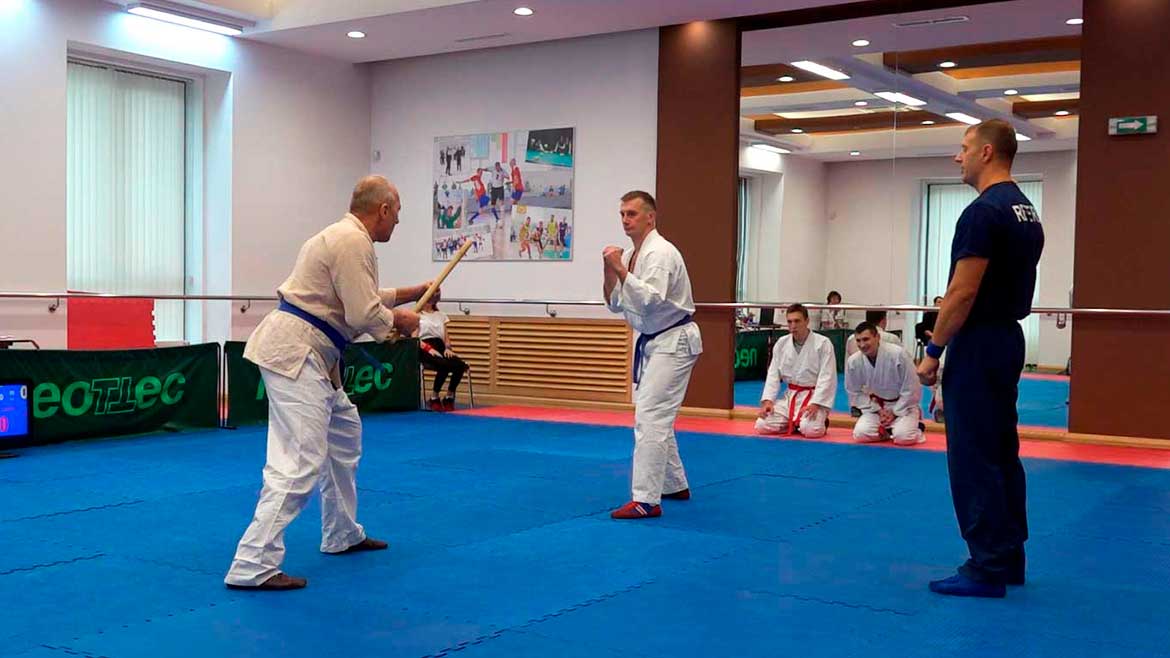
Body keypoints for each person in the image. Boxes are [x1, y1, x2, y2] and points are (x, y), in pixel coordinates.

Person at [224, 175, 431, 591]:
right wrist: (401, 322)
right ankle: (252, 563)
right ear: (383, 210)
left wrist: (413, 293)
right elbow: (363, 313)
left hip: (311, 355)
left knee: (344, 433)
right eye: (397, 213)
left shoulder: (342, 237)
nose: (397, 222)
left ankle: (341, 532)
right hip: (297, 354)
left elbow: (359, 296)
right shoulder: (352, 241)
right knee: (299, 460)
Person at [917, 119, 1044, 598]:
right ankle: (1008, 556)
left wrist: (933, 351)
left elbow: (962, 292)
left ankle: (986, 565)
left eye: (965, 147)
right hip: (1007, 339)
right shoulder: (1025, 209)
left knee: (973, 454)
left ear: (987, 152)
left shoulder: (982, 212)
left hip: (979, 342)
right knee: (1000, 448)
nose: (959, 156)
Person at [603, 191, 702, 519]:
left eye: (631, 213)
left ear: (650, 217)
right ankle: (674, 484)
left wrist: (620, 268)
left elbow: (649, 301)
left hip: (673, 341)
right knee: (657, 415)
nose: (625, 220)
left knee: (650, 417)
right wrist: (610, 270)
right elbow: (615, 303)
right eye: (622, 214)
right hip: (656, 342)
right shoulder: (634, 254)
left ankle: (646, 500)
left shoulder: (659, 253)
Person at [755, 304, 837, 438]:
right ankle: (795, 423)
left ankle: (816, 421)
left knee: (810, 430)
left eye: (797, 321)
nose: (793, 326)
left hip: (813, 397)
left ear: (807, 321)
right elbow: (773, 374)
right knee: (762, 424)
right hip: (790, 397)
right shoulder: (782, 343)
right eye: (790, 322)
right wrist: (768, 401)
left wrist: (816, 403)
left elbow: (827, 377)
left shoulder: (823, 343)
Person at [845, 322, 923, 446]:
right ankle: (888, 432)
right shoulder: (854, 361)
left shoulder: (898, 354)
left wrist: (895, 412)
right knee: (860, 434)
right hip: (877, 406)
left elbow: (912, 386)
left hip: (904, 405)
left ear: (877, 337)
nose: (862, 345)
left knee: (903, 437)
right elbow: (853, 391)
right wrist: (877, 410)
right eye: (858, 341)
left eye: (866, 339)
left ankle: (918, 428)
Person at [416, 291, 468, 412]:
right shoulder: (417, 315)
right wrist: (428, 349)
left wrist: (447, 348)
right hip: (425, 346)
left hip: (440, 345)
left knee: (460, 365)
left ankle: (449, 396)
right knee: (443, 365)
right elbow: (415, 338)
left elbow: (445, 335)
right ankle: (434, 397)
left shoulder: (441, 315)